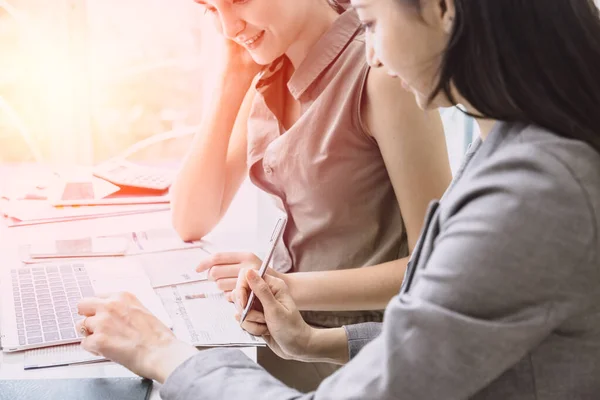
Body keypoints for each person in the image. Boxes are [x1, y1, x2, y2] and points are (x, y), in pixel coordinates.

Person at [77, 0, 600, 398]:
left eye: (370, 20)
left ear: (443, 9)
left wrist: (165, 354)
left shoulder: (533, 192)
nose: (371, 51)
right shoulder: (508, 154)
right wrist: (310, 342)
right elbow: (437, 329)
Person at [171, 0, 450, 389]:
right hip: (290, 339)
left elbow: (437, 264)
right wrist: (229, 81)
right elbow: (191, 219)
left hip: (366, 358)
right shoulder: (270, 69)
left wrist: (283, 286)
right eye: (211, 9)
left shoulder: (380, 71)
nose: (229, 26)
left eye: (237, 1)